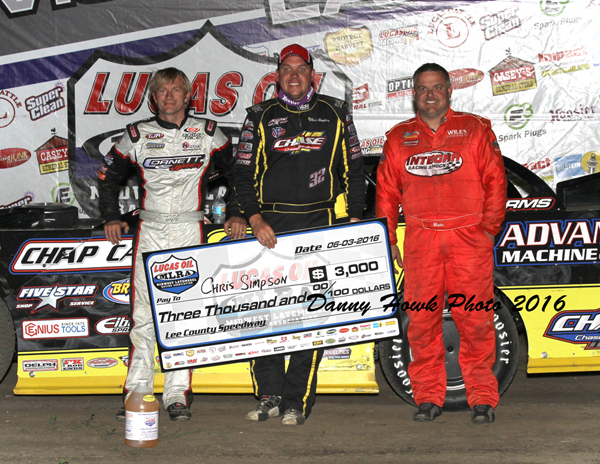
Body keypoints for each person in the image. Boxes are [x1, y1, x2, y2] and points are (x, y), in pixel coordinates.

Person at [97, 67, 246, 422]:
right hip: (149, 230)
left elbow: (240, 173)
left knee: (184, 316)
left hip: (188, 231)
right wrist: (110, 216)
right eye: (162, 91)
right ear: (153, 97)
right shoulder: (136, 134)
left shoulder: (209, 132)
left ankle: (177, 394)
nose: (169, 97)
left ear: (188, 96)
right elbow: (107, 177)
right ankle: (137, 391)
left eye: (176, 90)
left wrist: (237, 213)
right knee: (144, 316)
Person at [234, 44, 364, 425]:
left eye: (300, 69)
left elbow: (354, 171)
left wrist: (354, 217)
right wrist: (254, 219)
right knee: (264, 314)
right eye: (286, 69)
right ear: (277, 76)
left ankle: (296, 399)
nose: (293, 75)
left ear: (313, 75)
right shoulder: (259, 117)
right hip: (268, 229)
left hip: (319, 226)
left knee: (311, 316)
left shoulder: (337, 114)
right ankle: (269, 395)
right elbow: (242, 174)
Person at [375, 63, 507, 424]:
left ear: (450, 91)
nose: (430, 95)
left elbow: (496, 182)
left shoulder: (476, 129)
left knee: (476, 319)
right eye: (422, 88)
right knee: (421, 321)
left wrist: (487, 230)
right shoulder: (398, 137)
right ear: (413, 94)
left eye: (436, 88)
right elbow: (386, 196)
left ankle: (482, 398)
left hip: (469, 238)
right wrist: (389, 241)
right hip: (421, 239)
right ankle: (428, 398)